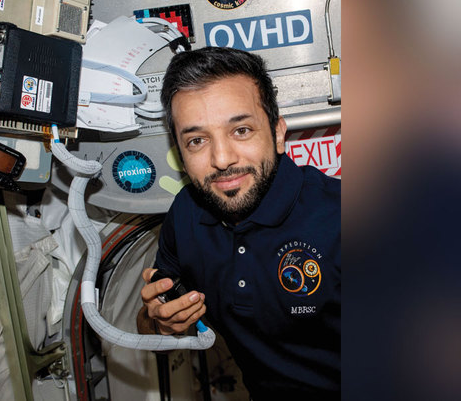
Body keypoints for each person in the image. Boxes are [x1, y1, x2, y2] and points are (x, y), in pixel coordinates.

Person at [136, 47, 340, 399]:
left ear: (278, 134)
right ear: (180, 153)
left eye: (241, 130)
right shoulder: (185, 215)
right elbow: (153, 326)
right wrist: (160, 322)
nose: (222, 159)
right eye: (197, 140)